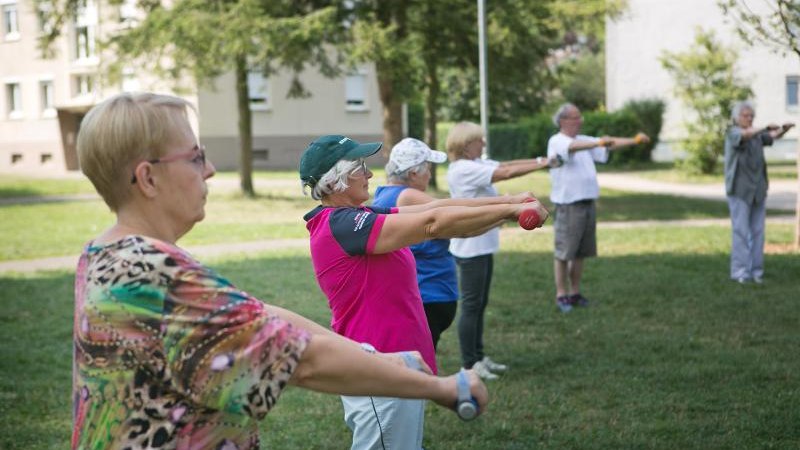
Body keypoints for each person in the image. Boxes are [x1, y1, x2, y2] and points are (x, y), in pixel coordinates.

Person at [71, 92, 492, 450]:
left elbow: (259, 315)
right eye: (196, 157)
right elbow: (302, 362)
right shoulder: (152, 275)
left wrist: (369, 354)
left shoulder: (105, 255)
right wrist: (439, 387)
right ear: (147, 178)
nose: (212, 170)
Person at [299, 134, 548, 450]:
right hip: (380, 366)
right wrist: (510, 210)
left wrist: (509, 203)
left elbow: (440, 209)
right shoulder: (342, 225)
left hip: (397, 364)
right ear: (337, 181)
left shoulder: (361, 216)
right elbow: (432, 223)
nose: (370, 174)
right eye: (360, 167)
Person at [445, 121, 555, 381]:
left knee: (479, 304)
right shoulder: (463, 169)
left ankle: (479, 356)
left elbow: (505, 166)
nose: (483, 144)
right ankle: (469, 365)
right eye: (479, 140)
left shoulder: (475, 164)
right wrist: (544, 164)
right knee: (472, 306)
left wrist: (540, 159)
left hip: (481, 245)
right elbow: (505, 174)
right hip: (470, 248)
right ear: (466, 144)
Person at [547, 103, 650, 312]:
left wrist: (635, 141)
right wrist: (598, 143)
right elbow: (572, 148)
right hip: (569, 205)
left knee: (580, 253)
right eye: (576, 118)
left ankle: (575, 293)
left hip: (587, 203)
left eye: (580, 117)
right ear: (563, 121)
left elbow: (609, 143)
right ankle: (561, 295)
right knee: (564, 252)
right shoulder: (557, 141)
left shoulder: (585, 140)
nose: (581, 121)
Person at [372, 137, 455, 350]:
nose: (430, 173)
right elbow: (455, 214)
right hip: (427, 294)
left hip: (420, 294)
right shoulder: (407, 196)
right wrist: (504, 209)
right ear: (413, 173)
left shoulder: (383, 195)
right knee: (419, 366)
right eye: (427, 167)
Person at [723, 100, 794, 284]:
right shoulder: (733, 132)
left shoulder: (757, 135)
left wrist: (784, 129)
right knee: (740, 231)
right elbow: (745, 135)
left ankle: (756, 272)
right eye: (745, 115)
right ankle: (740, 272)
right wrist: (763, 128)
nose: (749, 118)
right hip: (739, 190)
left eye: (751, 116)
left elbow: (772, 136)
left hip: (758, 189)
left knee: (757, 232)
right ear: (736, 118)